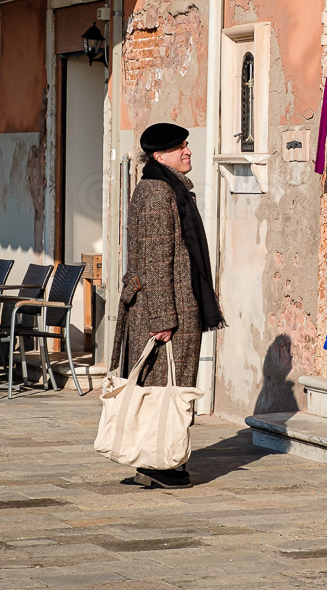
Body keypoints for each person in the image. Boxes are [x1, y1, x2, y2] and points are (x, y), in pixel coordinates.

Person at [111, 122, 224, 489]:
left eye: (186, 144)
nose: (187, 151)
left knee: (161, 389)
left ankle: (158, 461)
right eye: (179, 148)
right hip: (167, 309)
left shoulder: (164, 187)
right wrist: (163, 317)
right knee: (165, 391)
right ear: (159, 156)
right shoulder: (160, 193)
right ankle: (159, 464)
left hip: (168, 305)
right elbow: (156, 261)